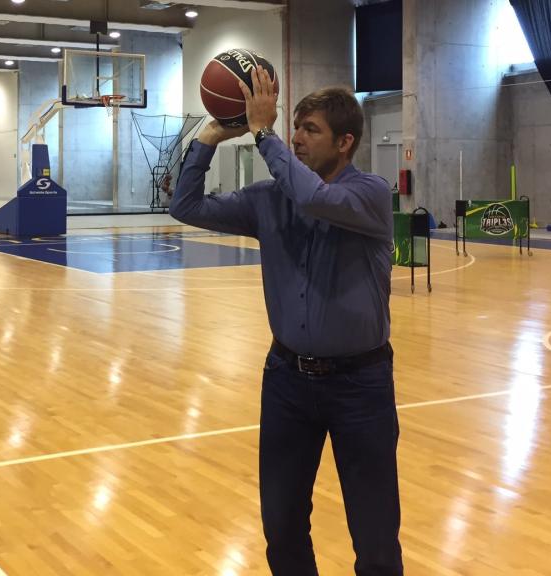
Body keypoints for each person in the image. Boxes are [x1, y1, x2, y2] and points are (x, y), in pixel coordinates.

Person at [170, 68, 402, 575]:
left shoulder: (371, 194)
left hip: (360, 387)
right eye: (293, 126)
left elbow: (316, 198)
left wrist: (263, 133)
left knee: (376, 533)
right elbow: (184, 206)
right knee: (282, 524)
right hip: (287, 383)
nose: (296, 136)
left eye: (309, 129)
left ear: (345, 142)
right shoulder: (267, 201)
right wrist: (208, 139)